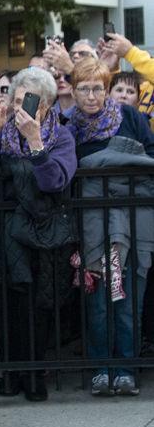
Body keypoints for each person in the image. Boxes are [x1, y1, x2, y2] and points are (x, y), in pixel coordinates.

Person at [0, 67, 78, 400]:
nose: (21, 108)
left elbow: (54, 181)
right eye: (16, 100)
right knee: (6, 305)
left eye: (28, 101)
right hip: (6, 234)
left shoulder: (60, 136)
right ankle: (11, 374)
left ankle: (34, 377)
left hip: (42, 235)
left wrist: (35, 142)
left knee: (38, 307)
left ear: (45, 104)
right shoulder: (3, 132)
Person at [66, 57, 154, 396]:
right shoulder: (67, 127)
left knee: (130, 293)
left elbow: (148, 156)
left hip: (133, 219)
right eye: (85, 89)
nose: (92, 96)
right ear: (73, 92)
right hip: (93, 224)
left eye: (98, 89)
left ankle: (126, 368)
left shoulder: (129, 116)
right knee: (99, 297)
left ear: (107, 90)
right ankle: (101, 367)